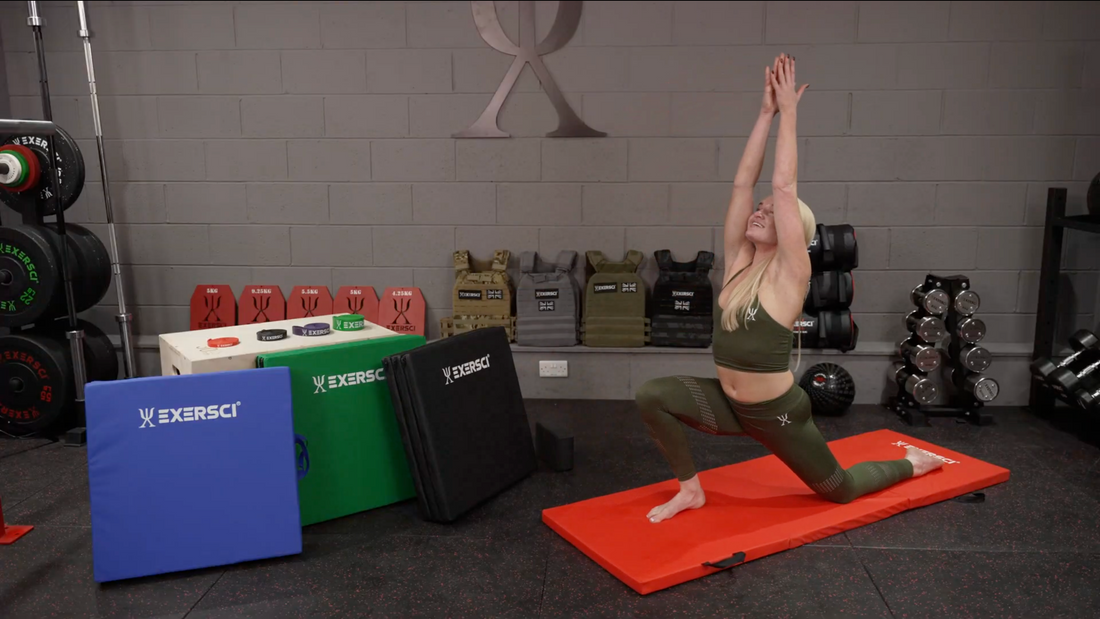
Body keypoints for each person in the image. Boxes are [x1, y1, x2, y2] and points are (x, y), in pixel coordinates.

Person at [635, 54, 944, 524]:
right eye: (757, 209)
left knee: (840, 490)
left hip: (777, 414)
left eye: (769, 211)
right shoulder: (739, 262)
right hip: (730, 405)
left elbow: (783, 187)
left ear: (791, 229)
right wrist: (765, 113)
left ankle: (912, 464)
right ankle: (690, 491)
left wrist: (790, 113)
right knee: (651, 395)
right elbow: (742, 184)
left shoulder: (790, 273)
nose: (758, 212)